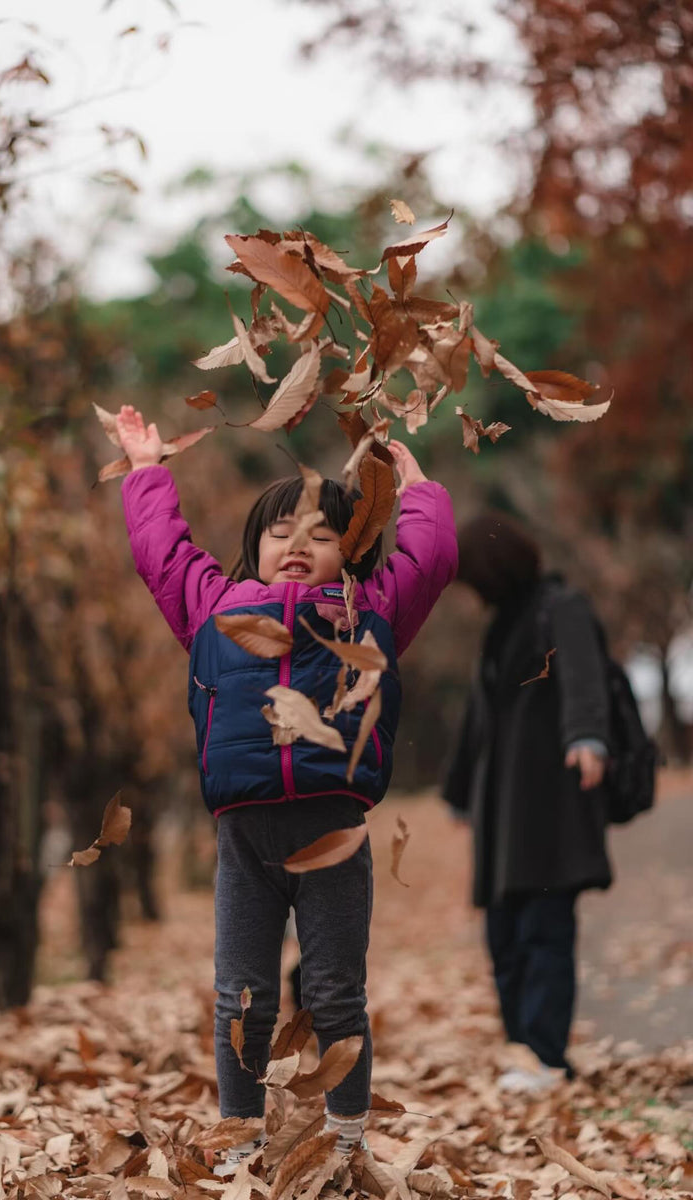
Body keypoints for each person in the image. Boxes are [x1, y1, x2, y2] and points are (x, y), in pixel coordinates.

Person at [115, 404, 457, 1170]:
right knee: (242, 997)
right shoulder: (215, 608)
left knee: (335, 991)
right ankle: (240, 1140)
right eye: (280, 534)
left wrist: (418, 489)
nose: (298, 547)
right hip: (245, 839)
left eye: (322, 535)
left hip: (334, 831)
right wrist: (146, 471)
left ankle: (346, 1138)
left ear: (350, 553)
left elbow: (431, 560)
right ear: (253, 549)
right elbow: (160, 553)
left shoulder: (367, 613)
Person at [444, 512, 612, 1095]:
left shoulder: (558, 605)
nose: (471, 593)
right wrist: (461, 791)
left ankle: (546, 1055)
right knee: (504, 935)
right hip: (502, 810)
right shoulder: (500, 626)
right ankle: (524, 1050)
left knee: (545, 930)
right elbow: (478, 719)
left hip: (550, 803)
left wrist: (587, 736)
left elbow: (586, 676)